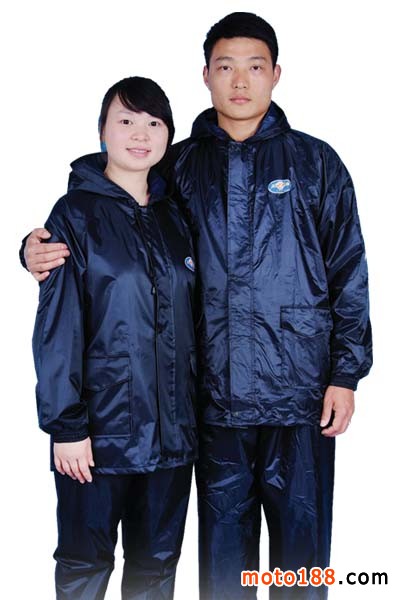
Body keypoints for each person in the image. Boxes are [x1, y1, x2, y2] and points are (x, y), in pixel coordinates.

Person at [22, 12, 372, 600]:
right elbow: (117, 208)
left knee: (302, 559)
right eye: (225, 66)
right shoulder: (178, 166)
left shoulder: (316, 164)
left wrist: (345, 374)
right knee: (224, 568)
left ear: (276, 74)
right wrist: (35, 247)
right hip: (211, 402)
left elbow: (348, 271)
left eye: (255, 66)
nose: (240, 80)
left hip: (301, 396)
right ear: (205, 75)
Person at [30, 76, 197, 600]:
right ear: (102, 131)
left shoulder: (175, 216)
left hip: (172, 437)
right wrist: (66, 426)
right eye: (126, 120)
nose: (140, 134)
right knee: (85, 565)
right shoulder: (74, 215)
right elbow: (57, 328)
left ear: (168, 135)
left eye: (154, 122)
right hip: (98, 437)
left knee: (157, 568)